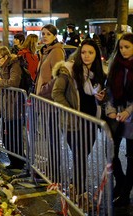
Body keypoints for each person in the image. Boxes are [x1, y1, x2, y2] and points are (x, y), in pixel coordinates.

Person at [52, 39, 106, 197]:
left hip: (91, 122)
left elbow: (99, 96)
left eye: (90, 53)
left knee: (82, 156)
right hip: (74, 123)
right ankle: (80, 192)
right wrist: (71, 112)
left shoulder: (98, 73)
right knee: (80, 156)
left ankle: (74, 184)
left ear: (96, 55)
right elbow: (57, 93)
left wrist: (102, 98)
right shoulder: (68, 70)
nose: (86, 56)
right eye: (83, 52)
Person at [105, 32, 133, 207]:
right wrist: (110, 109)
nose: (123, 50)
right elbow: (109, 91)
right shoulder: (116, 65)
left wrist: (128, 112)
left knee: (131, 157)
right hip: (116, 114)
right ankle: (120, 182)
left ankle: (125, 193)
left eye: (127, 47)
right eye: (121, 47)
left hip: (131, 115)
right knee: (112, 152)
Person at [0, 46, 24, 169]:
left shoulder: (14, 65)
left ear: (6, 56)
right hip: (6, 104)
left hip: (14, 105)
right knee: (7, 135)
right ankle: (15, 161)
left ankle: (18, 162)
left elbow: (13, 82)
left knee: (13, 135)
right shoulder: (3, 66)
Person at [36, 24, 65, 96]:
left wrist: (44, 89)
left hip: (48, 96)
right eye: (43, 34)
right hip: (42, 95)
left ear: (55, 36)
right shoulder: (44, 51)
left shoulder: (57, 51)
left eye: (48, 34)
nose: (45, 36)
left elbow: (58, 77)